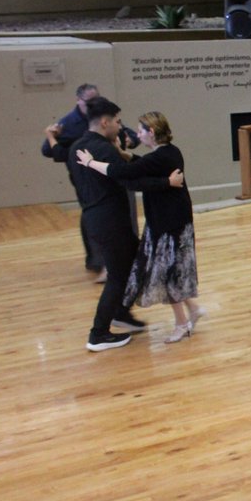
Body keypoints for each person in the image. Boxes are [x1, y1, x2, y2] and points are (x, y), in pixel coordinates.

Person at [77, 111, 201, 344]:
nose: (138, 134)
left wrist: (91, 163)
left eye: (141, 130)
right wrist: (124, 154)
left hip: (169, 225)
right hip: (166, 223)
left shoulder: (162, 156)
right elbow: (143, 168)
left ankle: (182, 324)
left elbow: (126, 174)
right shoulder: (167, 152)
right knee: (169, 273)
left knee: (166, 274)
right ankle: (192, 311)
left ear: (151, 132)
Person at [69, 97, 150, 351]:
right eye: (117, 121)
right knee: (118, 275)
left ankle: (121, 311)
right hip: (110, 219)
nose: (119, 125)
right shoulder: (104, 150)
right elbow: (127, 179)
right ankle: (98, 333)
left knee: (138, 261)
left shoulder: (76, 147)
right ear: (104, 122)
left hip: (95, 217)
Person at [42, 83, 105, 275]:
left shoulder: (102, 114)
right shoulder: (67, 123)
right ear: (78, 100)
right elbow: (48, 150)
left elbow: (125, 132)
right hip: (83, 178)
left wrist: (130, 139)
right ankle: (97, 261)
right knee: (91, 215)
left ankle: (106, 261)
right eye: (89, 101)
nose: (93, 104)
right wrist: (53, 138)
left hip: (103, 174)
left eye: (96, 100)